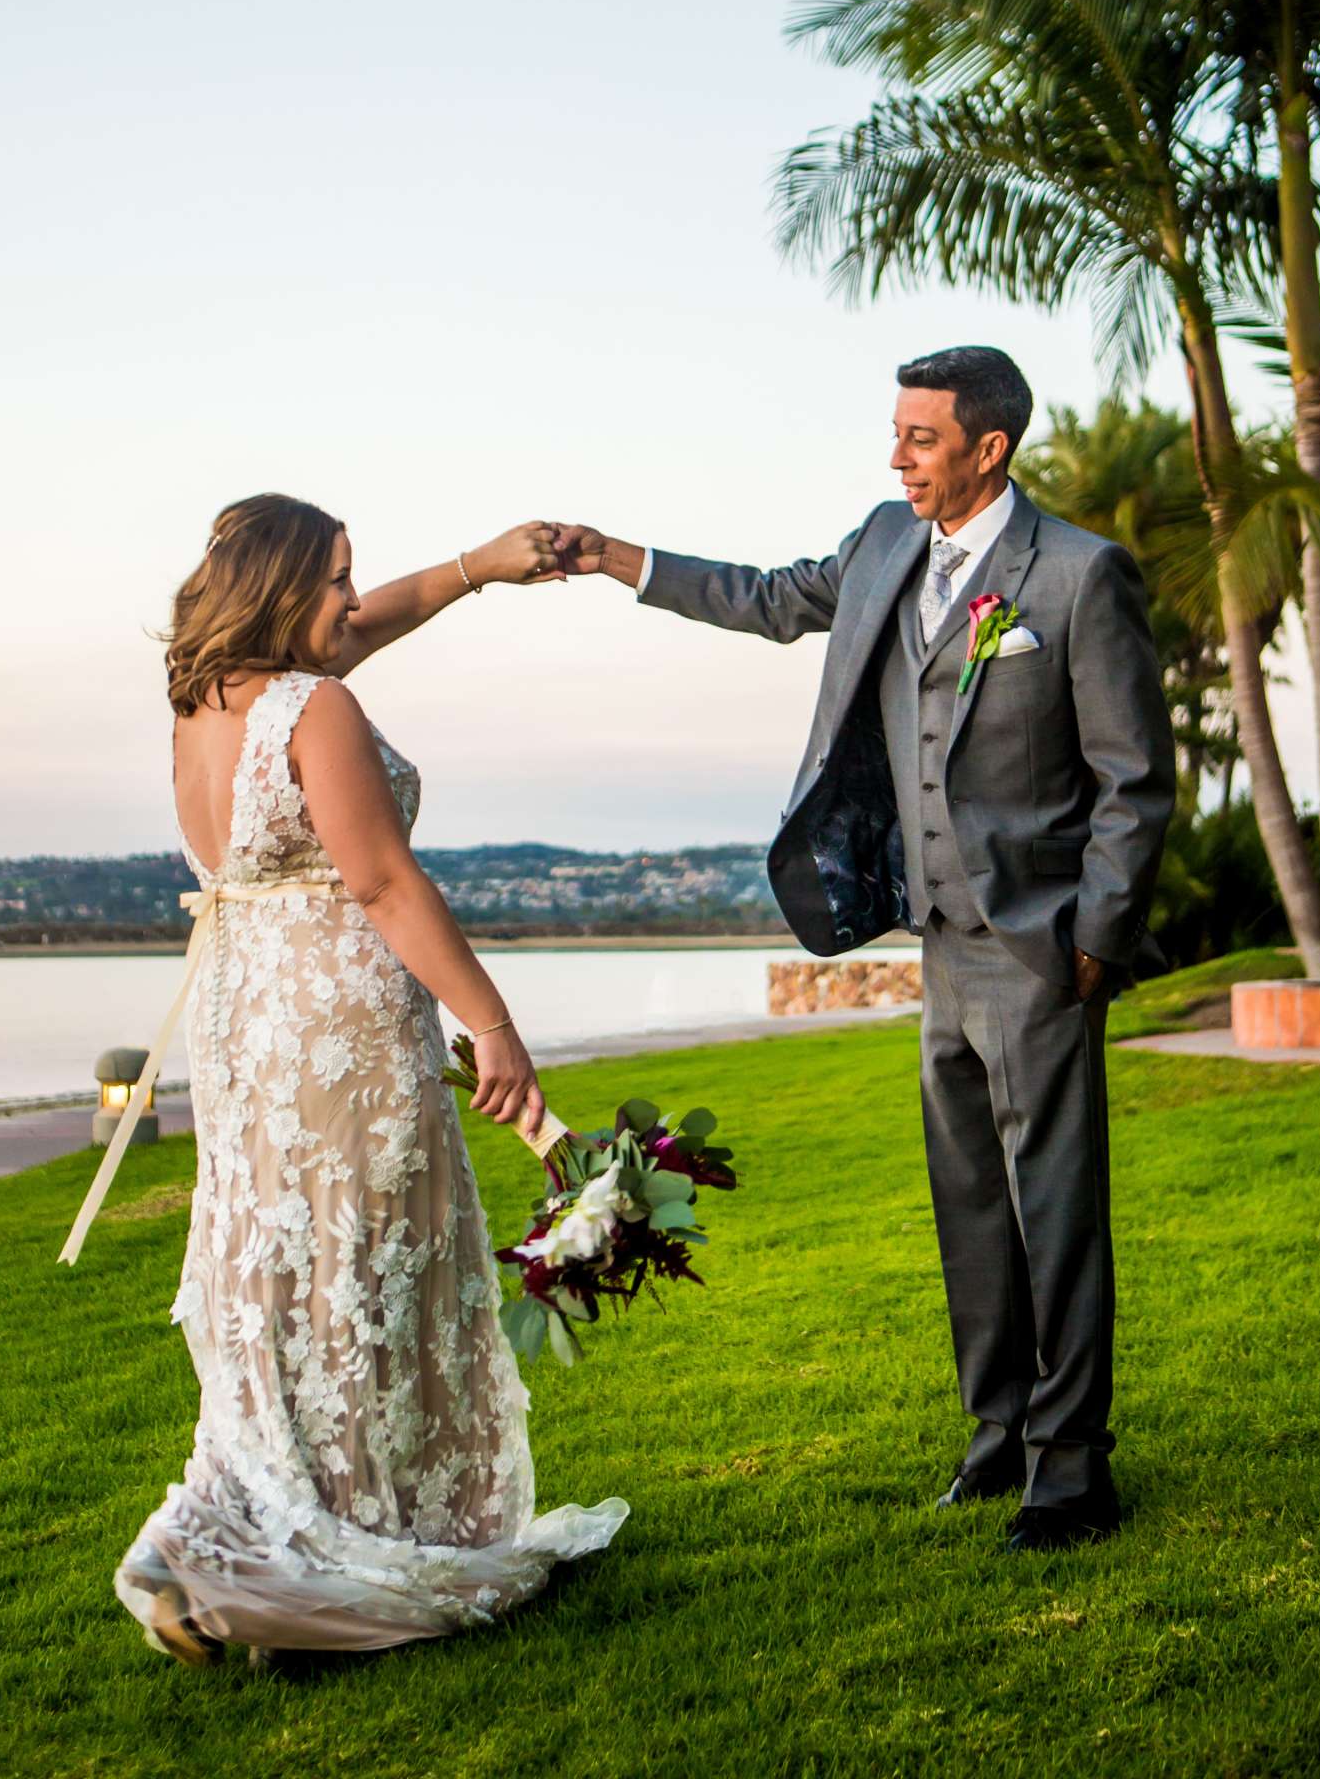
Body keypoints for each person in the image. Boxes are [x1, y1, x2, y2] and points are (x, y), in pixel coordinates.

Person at [552, 345, 1174, 1551]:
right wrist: (619, 558)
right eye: (895, 433)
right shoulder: (883, 544)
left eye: (921, 438)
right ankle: (995, 1439)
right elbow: (768, 598)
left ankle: (1071, 1469)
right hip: (936, 937)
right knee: (970, 1211)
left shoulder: (1081, 577)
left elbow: (1133, 784)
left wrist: (1094, 939)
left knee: (1054, 1209)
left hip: (1041, 944)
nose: (896, 456)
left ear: (988, 450)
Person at [108, 493, 626, 1664]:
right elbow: (386, 884)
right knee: (366, 1279)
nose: (352, 598)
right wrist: (491, 1024)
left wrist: (479, 568)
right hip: (346, 1031)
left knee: (292, 1278)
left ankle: (226, 1529)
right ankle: (328, 1550)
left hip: (252, 1036)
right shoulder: (314, 706)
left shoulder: (202, 701)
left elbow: (356, 631)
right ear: (287, 589)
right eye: (337, 577)